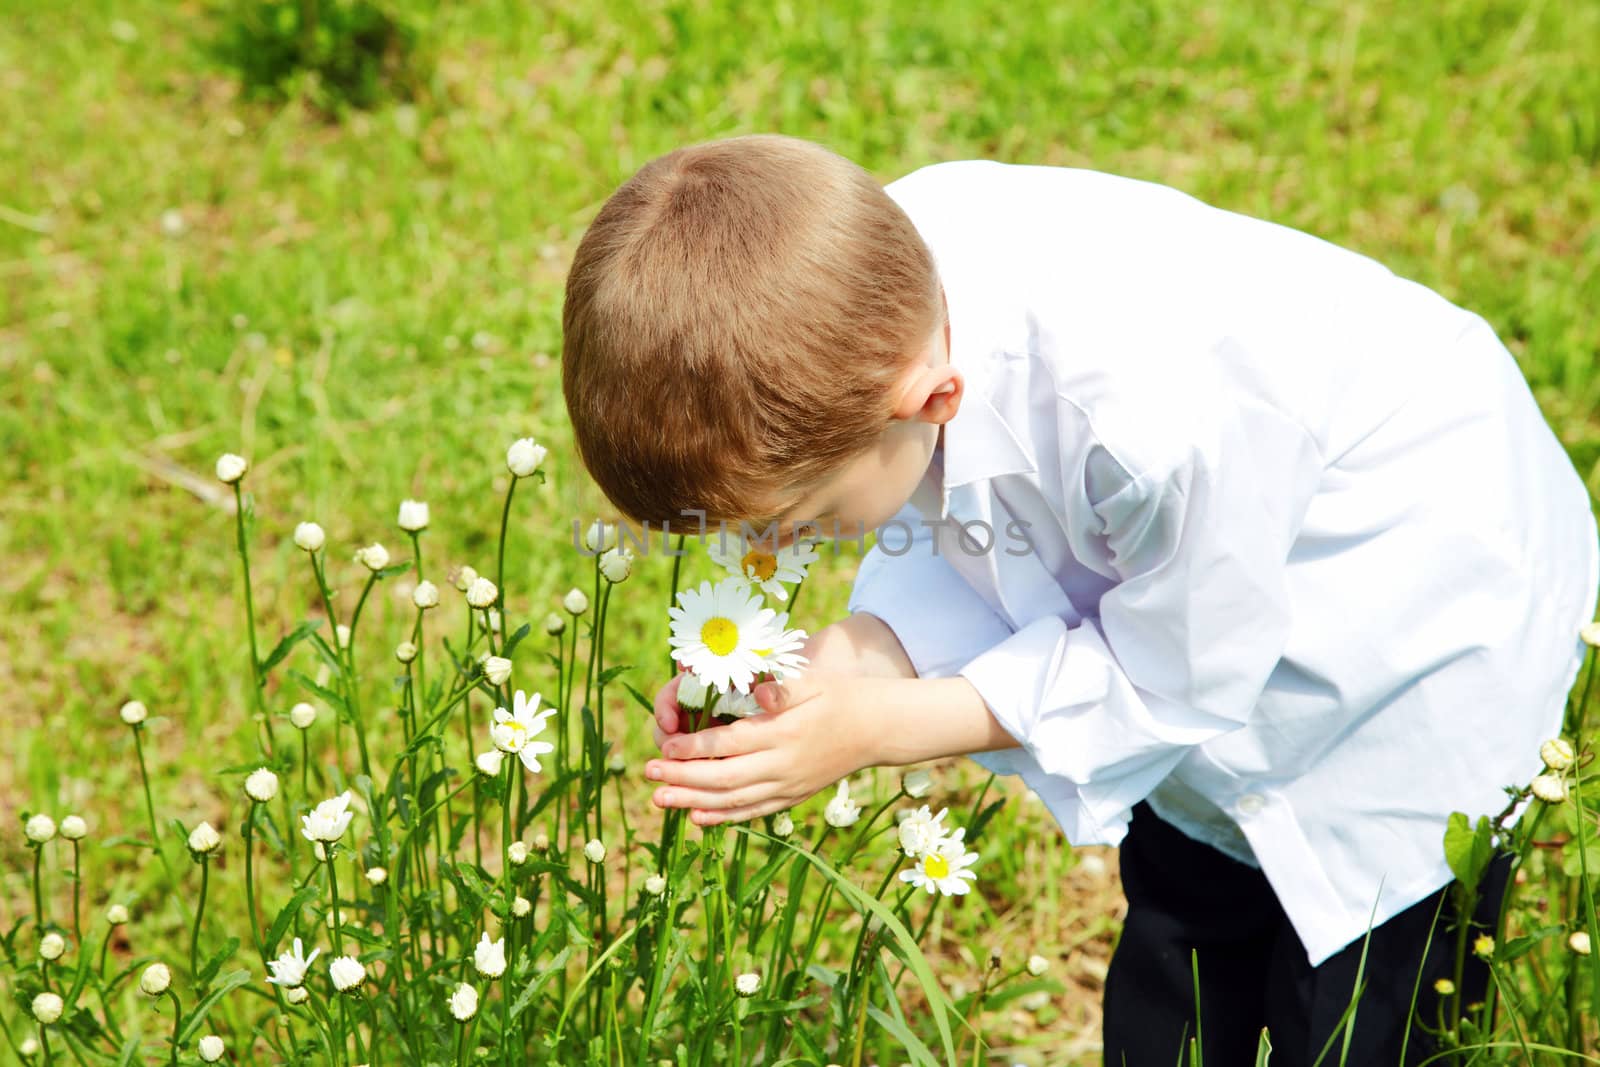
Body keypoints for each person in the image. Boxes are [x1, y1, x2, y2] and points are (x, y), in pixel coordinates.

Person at [559, 133, 1600, 1063]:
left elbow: (1175, 669)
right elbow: (985, 523)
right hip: (1205, 593)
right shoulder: (860, 292)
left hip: (1406, 607)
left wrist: (886, 723)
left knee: (1363, 998)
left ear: (927, 401)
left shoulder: (1152, 409)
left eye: (791, 515)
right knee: (1185, 950)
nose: (766, 550)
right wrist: (862, 655)